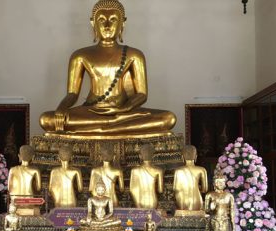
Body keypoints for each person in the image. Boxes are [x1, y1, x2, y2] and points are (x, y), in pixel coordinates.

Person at [39, 0, 176, 136]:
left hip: (124, 112)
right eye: (101, 20)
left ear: (123, 23)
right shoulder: (80, 55)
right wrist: (61, 108)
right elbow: (72, 94)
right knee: (46, 120)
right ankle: (109, 129)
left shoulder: (134, 55)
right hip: (92, 112)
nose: (107, 25)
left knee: (168, 118)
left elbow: (142, 94)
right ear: (93, 23)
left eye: (113, 20)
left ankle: (99, 131)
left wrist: (123, 109)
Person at [8, 145, 42, 215]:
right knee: (37, 211)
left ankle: (18, 211)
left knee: (12, 209)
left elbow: (9, 188)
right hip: (30, 203)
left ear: (19, 156)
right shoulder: (35, 170)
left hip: (16, 203)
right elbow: (38, 188)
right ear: (32, 157)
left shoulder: (12, 170)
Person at [173, 145, 208, 211]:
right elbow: (205, 189)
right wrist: (197, 187)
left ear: (182, 157)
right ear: (196, 157)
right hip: (197, 202)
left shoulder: (178, 171)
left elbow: (175, 189)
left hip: (182, 202)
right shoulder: (202, 170)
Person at [130, 144, 163, 209]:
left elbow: (132, 190)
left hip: (139, 200)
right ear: (153, 156)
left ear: (140, 156)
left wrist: (137, 204)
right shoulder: (158, 170)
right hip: (153, 200)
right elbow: (160, 190)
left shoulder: (134, 171)